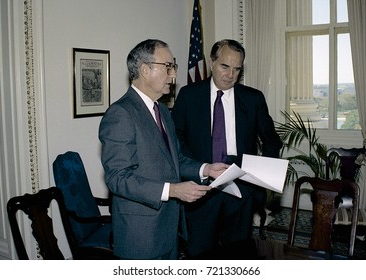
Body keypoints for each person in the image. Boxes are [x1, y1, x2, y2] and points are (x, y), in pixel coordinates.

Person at [98, 39, 228, 260]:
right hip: (141, 234)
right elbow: (118, 178)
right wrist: (174, 190)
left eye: (173, 67)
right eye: (168, 67)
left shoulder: (163, 111)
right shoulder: (121, 114)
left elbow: (174, 159)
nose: (173, 74)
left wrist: (206, 169)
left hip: (169, 229)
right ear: (145, 70)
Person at [171, 39, 283, 259]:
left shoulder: (253, 99)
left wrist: (259, 180)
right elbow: (176, 139)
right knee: (200, 253)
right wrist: (198, 168)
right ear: (212, 63)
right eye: (225, 66)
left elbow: (272, 141)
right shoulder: (188, 95)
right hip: (201, 188)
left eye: (237, 69)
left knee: (238, 254)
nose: (231, 74)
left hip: (241, 189)